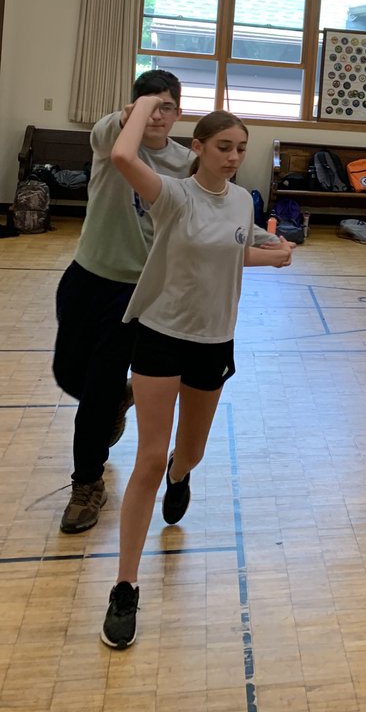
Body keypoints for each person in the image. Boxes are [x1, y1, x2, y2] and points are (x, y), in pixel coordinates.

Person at [53, 70, 283, 534]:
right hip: (88, 278)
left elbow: (218, 210)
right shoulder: (110, 136)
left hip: (141, 291)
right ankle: (122, 396)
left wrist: (266, 241)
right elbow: (118, 136)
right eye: (147, 105)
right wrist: (139, 110)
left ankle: (87, 481)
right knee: (71, 375)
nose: (157, 114)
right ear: (132, 108)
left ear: (179, 114)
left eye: (168, 107)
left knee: (97, 389)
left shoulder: (182, 162)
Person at [99, 100, 291, 650]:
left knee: (189, 454)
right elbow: (120, 152)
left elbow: (230, 255)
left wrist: (273, 256)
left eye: (241, 150)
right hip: (160, 335)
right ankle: (125, 587)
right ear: (199, 148)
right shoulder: (172, 194)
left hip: (214, 342)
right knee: (149, 458)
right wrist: (141, 107)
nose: (233, 158)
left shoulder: (242, 203)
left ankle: (181, 480)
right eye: (224, 147)